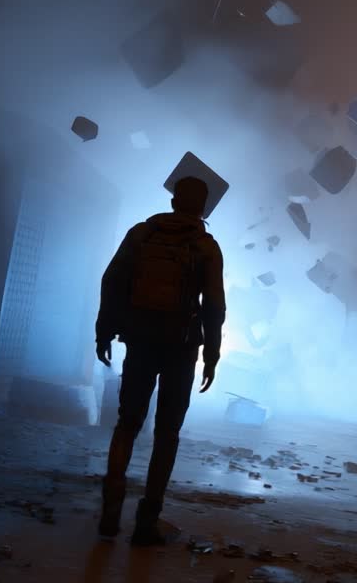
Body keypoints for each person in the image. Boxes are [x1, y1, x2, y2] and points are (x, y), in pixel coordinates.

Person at [95, 176, 225, 545]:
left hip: (139, 340)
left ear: (172, 201)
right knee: (167, 434)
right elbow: (214, 306)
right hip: (181, 349)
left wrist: (104, 331)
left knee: (127, 424)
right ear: (203, 207)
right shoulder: (205, 246)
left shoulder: (142, 234)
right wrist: (211, 354)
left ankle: (110, 511)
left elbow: (112, 282)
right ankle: (146, 523)